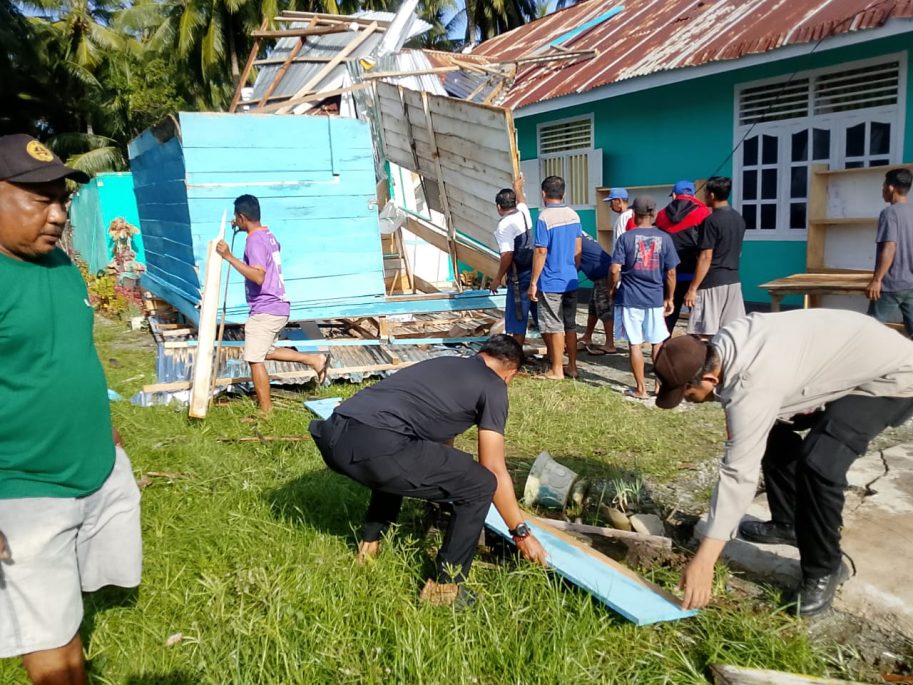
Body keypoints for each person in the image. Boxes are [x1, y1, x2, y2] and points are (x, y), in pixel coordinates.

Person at [652, 309, 913, 616]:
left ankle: (824, 569)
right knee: (771, 433)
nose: (688, 401)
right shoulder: (723, 346)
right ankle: (788, 522)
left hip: (892, 377)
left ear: (709, 377)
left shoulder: (753, 382)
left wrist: (705, 561)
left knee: (820, 463)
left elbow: (739, 474)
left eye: (689, 394)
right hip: (847, 360)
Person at [0, 134, 142, 684]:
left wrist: (107, 434)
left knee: (71, 601)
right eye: (40, 199)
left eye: (61, 199)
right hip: (23, 486)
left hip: (90, 465)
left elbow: (71, 353)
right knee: (54, 654)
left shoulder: (59, 263)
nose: (58, 214)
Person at [309, 335, 548, 606]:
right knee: (480, 484)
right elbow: (493, 467)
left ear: (481, 354)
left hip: (334, 436)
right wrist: (520, 533)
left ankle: (369, 545)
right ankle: (445, 588)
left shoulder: (445, 364)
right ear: (511, 373)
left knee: (405, 455)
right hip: (378, 447)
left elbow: (429, 448)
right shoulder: (494, 385)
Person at [217, 194, 327, 414]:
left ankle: (265, 412)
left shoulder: (254, 241)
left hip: (266, 308)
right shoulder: (267, 235)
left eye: (237, 219)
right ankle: (315, 360)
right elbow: (274, 250)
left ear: (241, 217)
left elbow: (258, 276)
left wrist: (229, 257)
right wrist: (243, 229)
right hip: (279, 305)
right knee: (264, 351)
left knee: (254, 358)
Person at [610, 196, 679, 399]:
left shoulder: (625, 238)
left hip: (630, 297)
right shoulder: (665, 238)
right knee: (657, 342)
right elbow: (672, 273)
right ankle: (658, 387)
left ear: (634, 214)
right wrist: (671, 297)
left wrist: (611, 288)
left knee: (635, 344)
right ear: (654, 213)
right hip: (655, 297)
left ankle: (640, 389)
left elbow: (615, 269)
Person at [528, 176, 583, 380]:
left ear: (543, 194)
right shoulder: (574, 215)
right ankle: (573, 367)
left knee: (554, 325)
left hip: (551, 279)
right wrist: (573, 270)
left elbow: (541, 251)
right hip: (570, 278)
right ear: (564, 194)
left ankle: (557, 369)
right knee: (570, 324)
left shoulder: (544, 218)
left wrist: (533, 282)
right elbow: (578, 249)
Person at [684, 177, 746, 337]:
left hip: (712, 282)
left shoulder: (711, 221)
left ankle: (707, 363)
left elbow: (705, 256)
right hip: (733, 281)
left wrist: (692, 289)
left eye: (705, 192)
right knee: (731, 334)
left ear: (711, 195)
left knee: (703, 334)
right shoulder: (739, 218)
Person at [655, 180, 710, 332]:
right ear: (693, 194)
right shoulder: (704, 212)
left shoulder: (661, 215)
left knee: (666, 321)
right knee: (700, 325)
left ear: (673, 195)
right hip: (695, 276)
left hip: (668, 275)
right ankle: (698, 354)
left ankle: (661, 353)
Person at [866, 167, 913, 337]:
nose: (882, 189)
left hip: (891, 285)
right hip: (911, 285)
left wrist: (877, 280)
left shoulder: (889, 213)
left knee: (869, 330)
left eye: (884, 184)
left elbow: (890, 247)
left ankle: (869, 363)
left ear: (891, 187)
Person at [490, 176, 536, 345]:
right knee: (540, 317)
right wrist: (518, 187)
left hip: (518, 277)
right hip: (534, 272)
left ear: (498, 207)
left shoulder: (504, 225)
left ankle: (515, 357)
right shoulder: (523, 212)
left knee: (517, 318)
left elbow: (507, 254)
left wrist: (497, 278)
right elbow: (522, 200)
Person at [577, 232, 616, 355]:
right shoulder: (580, 234)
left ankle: (610, 344)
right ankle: (587, 336)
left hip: (604, 275)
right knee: (593, 307)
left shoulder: (573, 237)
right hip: (599, 275)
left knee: (604, 308)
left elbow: (575, 261)